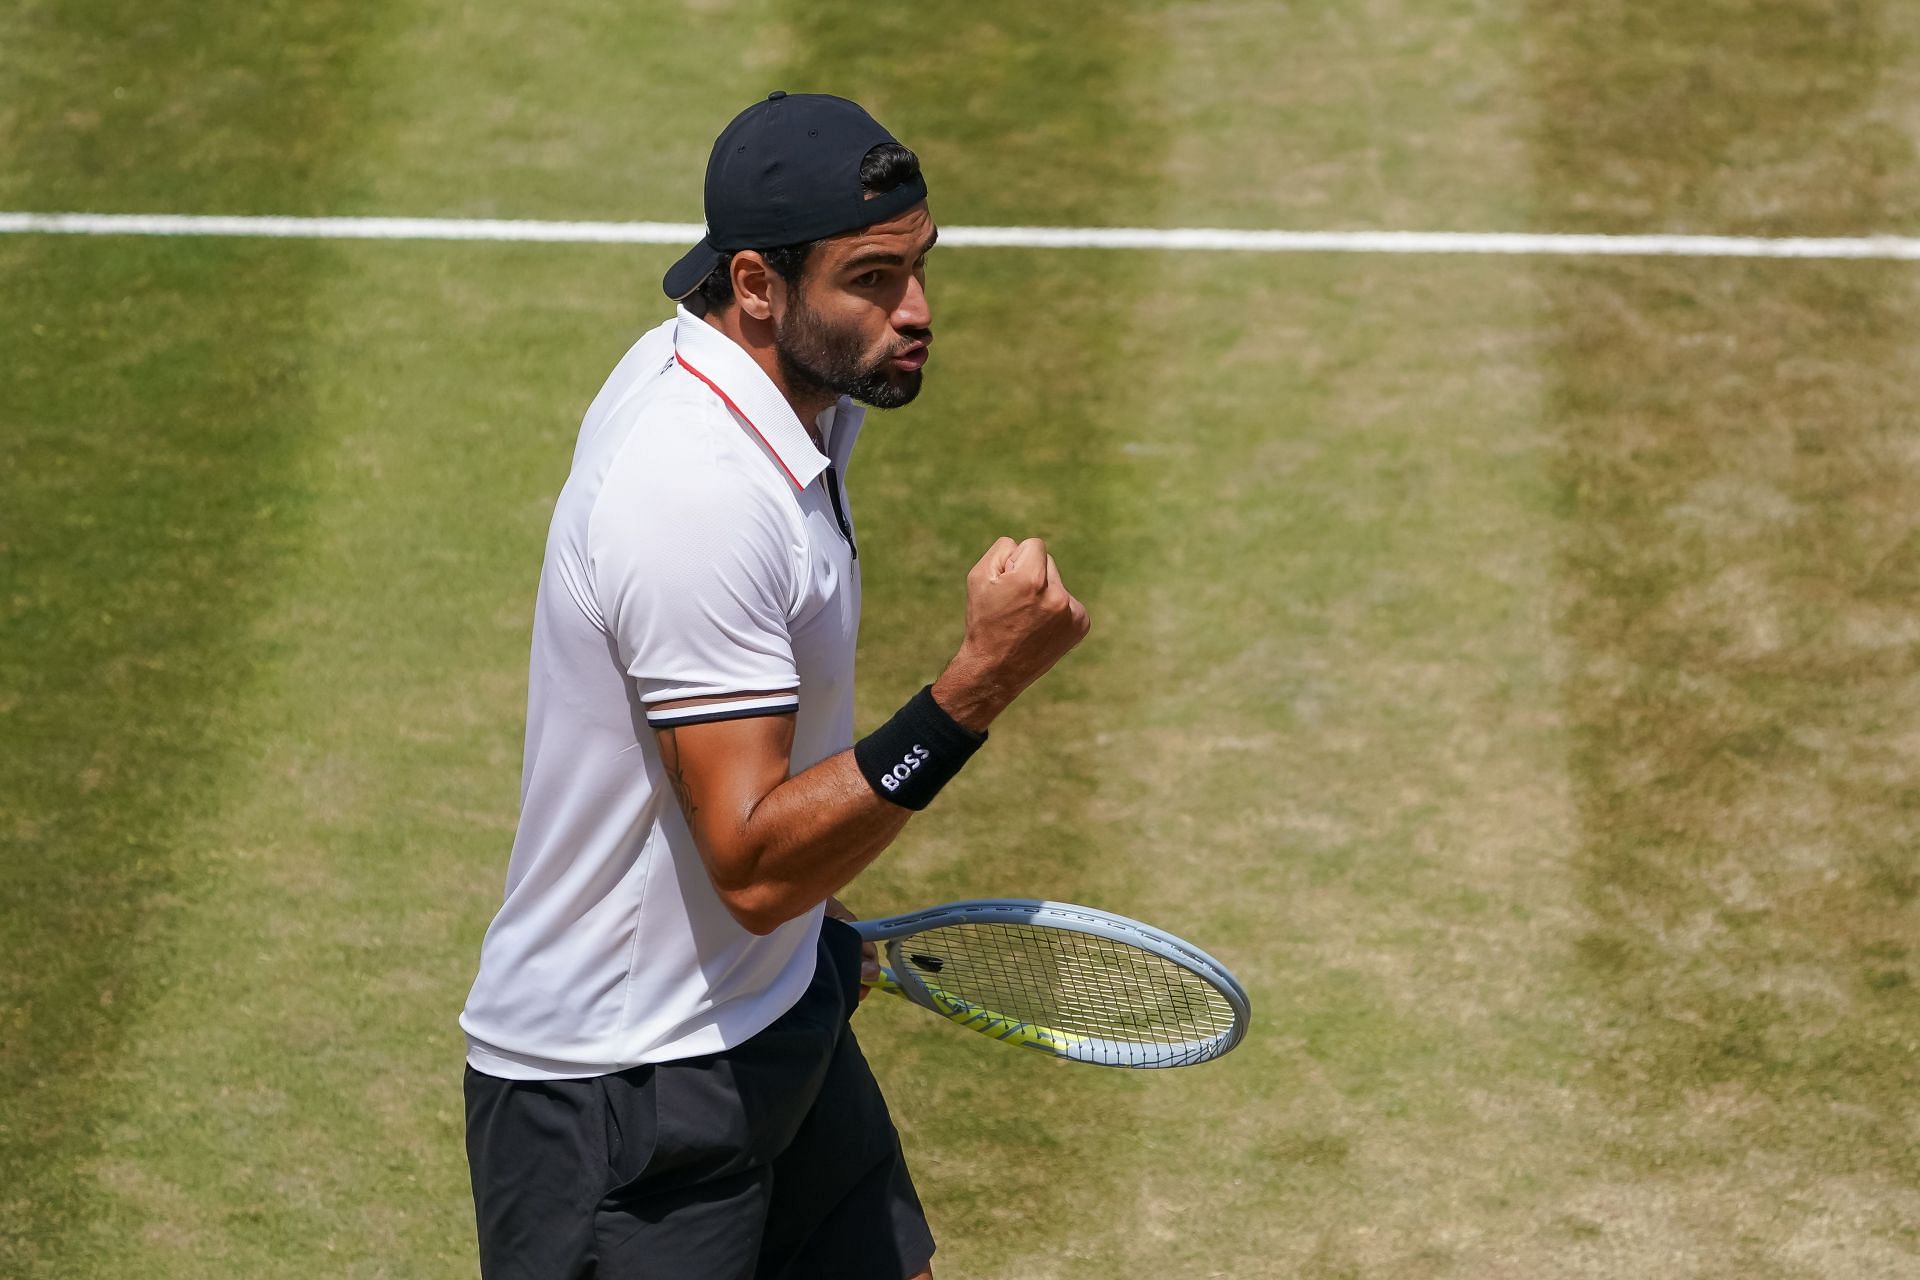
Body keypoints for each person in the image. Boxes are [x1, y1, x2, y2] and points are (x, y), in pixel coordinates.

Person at [457, 91, 1090, 1278]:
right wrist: (972, 691)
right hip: (624, 1093)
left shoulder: (795, 392)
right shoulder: (692, 489)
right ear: (755, 284)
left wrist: (808, 920)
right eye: (872, 279)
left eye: (919, 266)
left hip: (764, 1017)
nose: (918, 312)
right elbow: (750, 865)